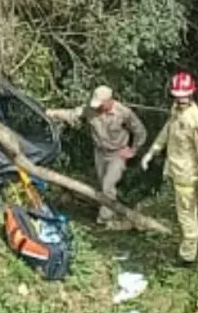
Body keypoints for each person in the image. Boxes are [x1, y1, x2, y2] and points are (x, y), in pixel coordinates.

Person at [140, 71, 198, 266]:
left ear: (191, 94)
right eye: (177, 96)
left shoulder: (196, 120)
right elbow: (167, 132)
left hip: (188, 176)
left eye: (184, 96)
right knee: (186, 213)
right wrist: (152, 152)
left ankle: (187, 256)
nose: (180, 100)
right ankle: (190, 244)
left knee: (186, 216)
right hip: (176, 170)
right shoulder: (176, 111)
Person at [46, 86, 147, 228]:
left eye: (101, 104)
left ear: (109, 101)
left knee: (108, 185)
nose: (98, 107)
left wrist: (133, 150)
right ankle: (119, 210)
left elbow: (140, 131)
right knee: (104, 187)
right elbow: (71, 114)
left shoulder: (124, 113)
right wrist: (52, 113)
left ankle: (103, 220)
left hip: (118, 154)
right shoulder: (90, 110)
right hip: (100, 153)